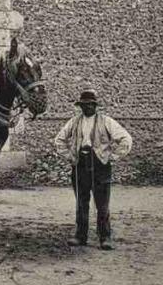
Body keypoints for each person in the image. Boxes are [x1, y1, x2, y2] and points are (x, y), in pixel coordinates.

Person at [54, 89, 132, 250]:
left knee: (102, 204)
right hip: (80, 165)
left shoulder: (106, 121)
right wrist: (70, 156)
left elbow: (126, 139)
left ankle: (105, 237)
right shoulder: (74, 122)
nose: (87, 107)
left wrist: (112, 157)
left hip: (100, 166)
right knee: (81, 203)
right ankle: (80, 236)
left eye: (90, 105)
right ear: (80, 106)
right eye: (84, 105)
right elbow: (59, 140)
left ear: (95, 106)